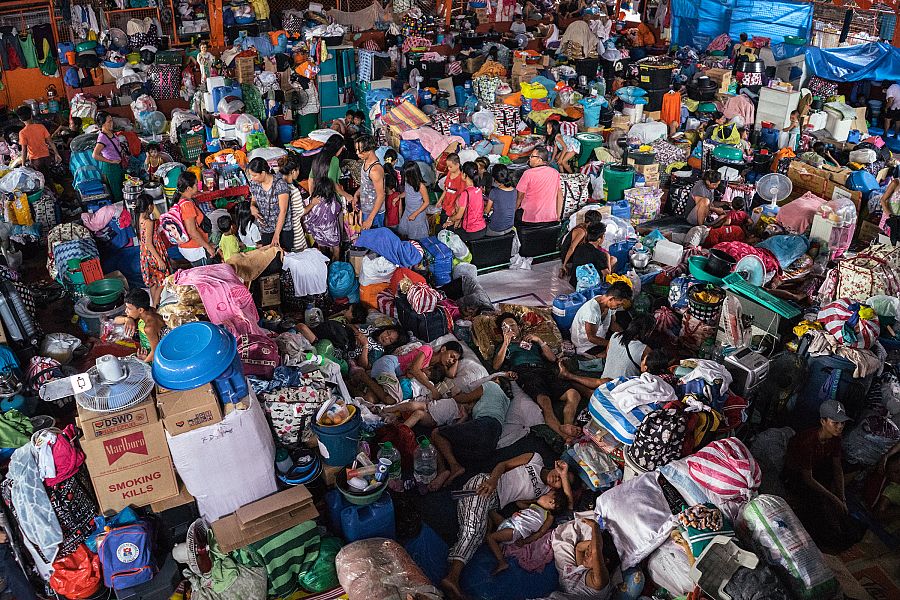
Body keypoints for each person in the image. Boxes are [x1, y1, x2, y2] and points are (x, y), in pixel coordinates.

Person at [440, 454, 573, 600]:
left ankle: (452, 573)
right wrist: (492, 480)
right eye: (559, 474)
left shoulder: (544, 494)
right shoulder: (536, 459)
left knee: (479, 534)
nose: (557, 478)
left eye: (561, 481)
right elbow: (502, 465)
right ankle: (452, 578)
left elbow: (568, 505)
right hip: (486, 485)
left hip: (493, 502)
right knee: (474, 530)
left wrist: (565, 474)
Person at [783, 399, 864, 552]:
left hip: (816, 467)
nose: (840, 427)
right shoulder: (808, 441)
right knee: (818, 505)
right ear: (823, 421)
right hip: (796, 475)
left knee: (849, 470)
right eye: (835, 423)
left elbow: (837, 466)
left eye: (842, 423)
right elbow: (807, 478)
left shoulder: (835, 438)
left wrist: (842, 497)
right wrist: (834, 498)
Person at [493, 312, 582, 442]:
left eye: (512, 325)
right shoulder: (504, 347)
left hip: (542, 369)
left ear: (519, 327)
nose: (510, 329)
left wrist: (539, 341)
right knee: (545, 402)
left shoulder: (531, 341)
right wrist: (506, 343)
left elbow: (552, 358)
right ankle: (564, 436)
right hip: (524, 372)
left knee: (573, 394)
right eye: (505, 327)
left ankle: (568, 425)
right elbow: (496, 366)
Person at [488, 489, 567, 574]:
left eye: (546, 494)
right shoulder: (534, 506)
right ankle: (490, 532)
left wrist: (525, 541)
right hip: (510, 521)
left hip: (516, 530)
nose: (542, 495)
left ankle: (502, 562)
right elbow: (518, 503)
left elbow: (540, 532)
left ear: (552, 502)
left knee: (490, 538)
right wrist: (533, 501)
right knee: (490, 512)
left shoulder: (548, 516)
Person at [570, 282, 633, 355]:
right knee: (618, 353)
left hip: (601, 335)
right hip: (586, 344)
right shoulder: (591, 312)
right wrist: (613, 344)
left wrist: (625, 336)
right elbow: (591, 338)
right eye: (619, 304)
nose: (619, 306)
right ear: (611, 298)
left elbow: (612, 325)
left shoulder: (610, 305)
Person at [171, 171, 217, 266]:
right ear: (188, 188)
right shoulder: (187, 205)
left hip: (188, 246)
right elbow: (192, 231)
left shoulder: (180, 200)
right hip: (195, 249)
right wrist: (208, 247)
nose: (198, 186)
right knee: (205, 275)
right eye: (196, 184)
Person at [248, 157, 293, 250]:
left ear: (263, 173)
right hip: (266, 228)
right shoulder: (254, 184)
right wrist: (252, 206)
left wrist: (277, 235)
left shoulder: (280, 185)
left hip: (282, 230)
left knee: (284, 258)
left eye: (254, 175)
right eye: (251, 175)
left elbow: (283, 211)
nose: (252, 178)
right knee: (269, 258)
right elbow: (254, 200)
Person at [115, 288, 168, 363]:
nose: (126, 311)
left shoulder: (149, 328)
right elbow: (115, 320)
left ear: (140, 310)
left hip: (154, 357)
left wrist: (142, 363)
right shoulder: (150, 310)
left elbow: (155, 352)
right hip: (146, 351)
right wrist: (127, 319)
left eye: (129, 309)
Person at [136, 193, 170, 307]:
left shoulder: (138, 219)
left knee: (153, 282)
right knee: (162, 280)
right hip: (153, 253)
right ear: (149, 206)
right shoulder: (148, 222)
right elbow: (149, 243)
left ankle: (152, 306)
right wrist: (159, 260)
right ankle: (156, 306)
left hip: (145, 254)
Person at [306, 165, 345, 260]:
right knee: (336, 248)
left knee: (321, 247)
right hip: (330, 232)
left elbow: (307, 214)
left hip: (317, 231)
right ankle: (335, 264)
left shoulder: (312, 200)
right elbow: (338, 210)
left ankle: (324, 264)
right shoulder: (332, 202)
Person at [516, 147, 562, 225]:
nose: (529, 158)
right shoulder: (555, 172)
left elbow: (520, 197)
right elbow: (560, 195)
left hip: (530, 218)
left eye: (532, 156)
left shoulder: (528, 173)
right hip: (550, 217)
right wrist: (558, 216)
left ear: (539, 160)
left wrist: (514, 209)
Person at [444, 161, 487, 241]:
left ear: (464, 175)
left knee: (443, 232)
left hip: (471, 232)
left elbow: (458, 216)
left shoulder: (466, 193)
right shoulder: (479, 188)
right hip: (482, 227)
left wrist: (450, 219)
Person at [16, 104, 60, 180]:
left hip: (36, 160)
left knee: (42, 180)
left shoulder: (22, 133)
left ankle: (51, 191)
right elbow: (50, 142)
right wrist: (57, 153)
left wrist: (23, 165)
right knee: (48, 177)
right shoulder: (41, 127)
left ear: (20, 119)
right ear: (31, 115)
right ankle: (53, 189)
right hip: (46, 157)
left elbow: (24, 150)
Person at [92, 111, 127, 203]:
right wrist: (110, 161)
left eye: (111, 120)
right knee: (117, 193)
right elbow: (95, 155)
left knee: (122, 188)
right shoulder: (102, 138)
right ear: (102, 124)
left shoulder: (111, 133)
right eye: (109, 121)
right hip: (111, 167)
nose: (112, 123)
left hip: (118, 165)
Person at [277, 154, 310, 252]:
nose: (298, 173)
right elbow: (300, 212)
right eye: (298, 170)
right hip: (295, 231)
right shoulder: (293, 191)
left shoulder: (278, 185)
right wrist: (313, 203)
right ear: (293, 171)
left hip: (281, 231)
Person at [568, 223, 616, 289]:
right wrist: (607, 257)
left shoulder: (579, 247)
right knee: (613, 260)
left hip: (574, 281)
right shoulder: (599, 254)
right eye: (604, 236)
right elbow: (607, 274)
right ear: (599, 239)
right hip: (587, 286)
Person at [559, 210, 604, 279]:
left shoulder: (584, 226)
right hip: (568, 255)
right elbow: (572, 248)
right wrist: (564, 264)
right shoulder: (582, 231)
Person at [354, 134, 386, 230]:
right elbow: (366, 184)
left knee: (375, 241)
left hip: (375, 214)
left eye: (360, 151)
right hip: (367, 210)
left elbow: (381, 195)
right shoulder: (365, 161)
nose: (357, 153)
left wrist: (370, 219)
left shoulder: (375, 170)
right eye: (356, 150)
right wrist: (356, 194)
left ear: (369, 150)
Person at [398, 161, 430, 240]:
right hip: (408, 211)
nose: (404, 177)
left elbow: (426, 202)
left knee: (416, 236)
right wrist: (399, 196)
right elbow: (407, 192)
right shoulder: (407, 182)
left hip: (417, 214)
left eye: (406, 175)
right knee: (404, 230)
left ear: (412, 175)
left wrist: (415, 214)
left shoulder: (421, 186)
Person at [485, 164, 516, 236]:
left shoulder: (494, 191)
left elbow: (486, 211)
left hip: (495, 229)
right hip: (509, 227)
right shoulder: (514, 190)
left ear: (494, 178)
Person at [439, 153, 465, 226]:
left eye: (450, 167)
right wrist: (440, 200)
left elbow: (460, 198)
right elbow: (446, 189)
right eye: (447, 167)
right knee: (442, 223)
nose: (448, 169)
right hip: (445, 205)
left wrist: (455, 210)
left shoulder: (461, 179)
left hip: (453, 210)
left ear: (457, 165)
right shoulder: (449, 173)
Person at [382, 150, 402, 230]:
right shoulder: (397, 195)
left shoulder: (381, 196)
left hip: (385, 223)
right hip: (396, 222)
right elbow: (400, 210)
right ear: (395, 161)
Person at [881, 173, 900, 246]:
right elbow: (883, 200)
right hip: (889, 218)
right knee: (885, 244)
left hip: (898, 221)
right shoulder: (896, 183)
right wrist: (890, 216)